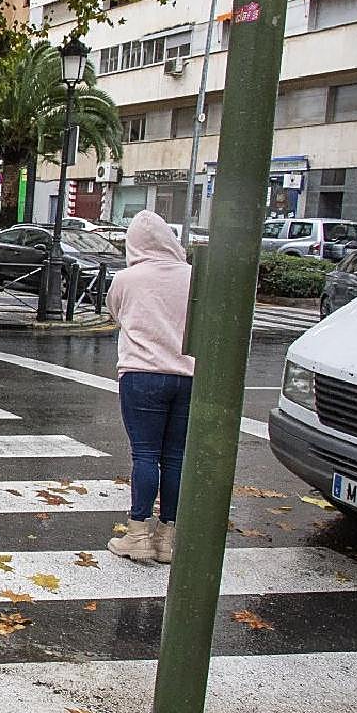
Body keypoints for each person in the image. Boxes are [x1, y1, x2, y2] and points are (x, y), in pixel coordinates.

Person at [105, 210, 197, 565]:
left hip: (141, 373)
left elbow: (117, 315)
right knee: (175, 457)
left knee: (145, 455)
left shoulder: (127, 279)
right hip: (187, 375)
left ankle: (138, 534)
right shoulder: (193, 277)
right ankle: (167, 539)